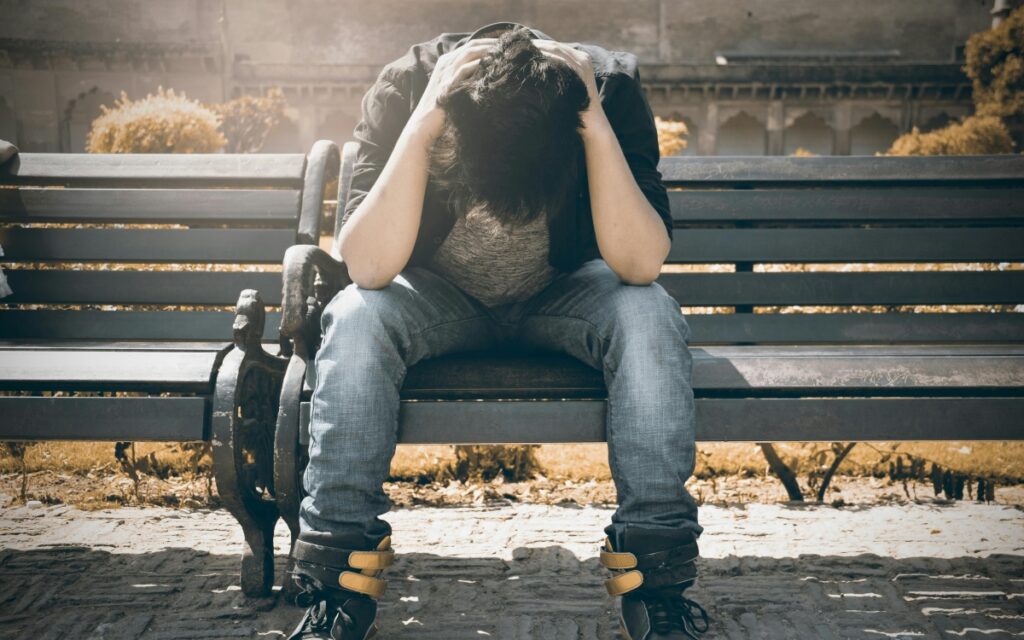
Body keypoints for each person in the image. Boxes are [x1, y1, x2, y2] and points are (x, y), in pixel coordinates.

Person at [287, 22, 709, 640]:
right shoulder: (408, 86)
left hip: (563, 293)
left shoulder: (608, 90)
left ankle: (657, 584)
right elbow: (370, 267)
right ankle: (337, 584)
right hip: (438, 298)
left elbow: (640, 264)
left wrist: (592, 123)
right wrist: (426, 121)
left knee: (649, 313)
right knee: (355, 316)